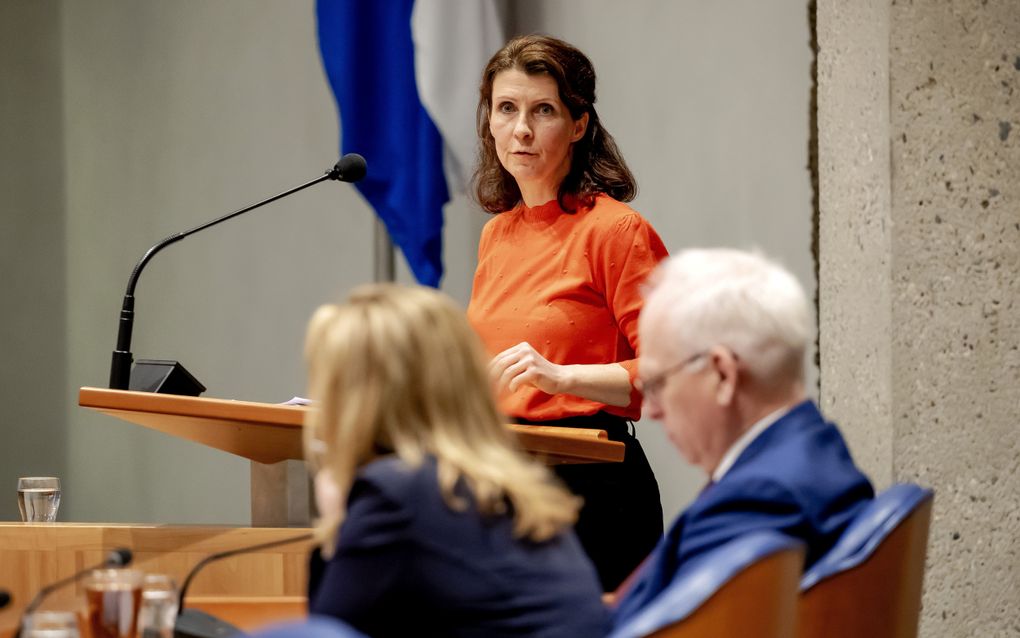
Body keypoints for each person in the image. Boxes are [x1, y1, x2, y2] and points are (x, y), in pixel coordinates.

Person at [467, 34, 667, 591]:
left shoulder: (617, 231)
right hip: (505, 481)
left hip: (593, 489)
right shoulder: (495, 234)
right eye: (506, 109)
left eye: (543, 110)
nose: (521, 129)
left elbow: (674, 370)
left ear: (578, 125)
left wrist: (562, 378)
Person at [303, 284, 608, 638]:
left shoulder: (400, 491)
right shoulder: (515, 483)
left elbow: (325, 628)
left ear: (360, 397)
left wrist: (336, 518)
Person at [612, 248, 875, 625]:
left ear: (722, 374)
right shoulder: (815, 448)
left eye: (655, 384)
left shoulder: (761, 498)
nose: (651, 410)